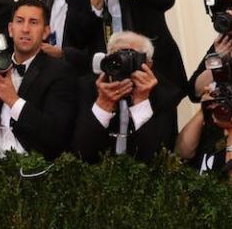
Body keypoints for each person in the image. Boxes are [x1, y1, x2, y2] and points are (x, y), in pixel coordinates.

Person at [0, 0, 77, 160]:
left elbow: (56, 134)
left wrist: (14, 101)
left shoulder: (60, 72)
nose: (25, 29)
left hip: (33, 171)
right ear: (10, 29)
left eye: (33, 22)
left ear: (45, 32)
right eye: (20, 21)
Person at [73, 31, 176, 162]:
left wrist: (141, 101)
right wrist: (103, 105)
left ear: (148, 65)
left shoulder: (164, 94)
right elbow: (79, 154)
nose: (122, 63)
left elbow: (158, 158)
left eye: (131, 57)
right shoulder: (85, 88)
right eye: (116, 57)